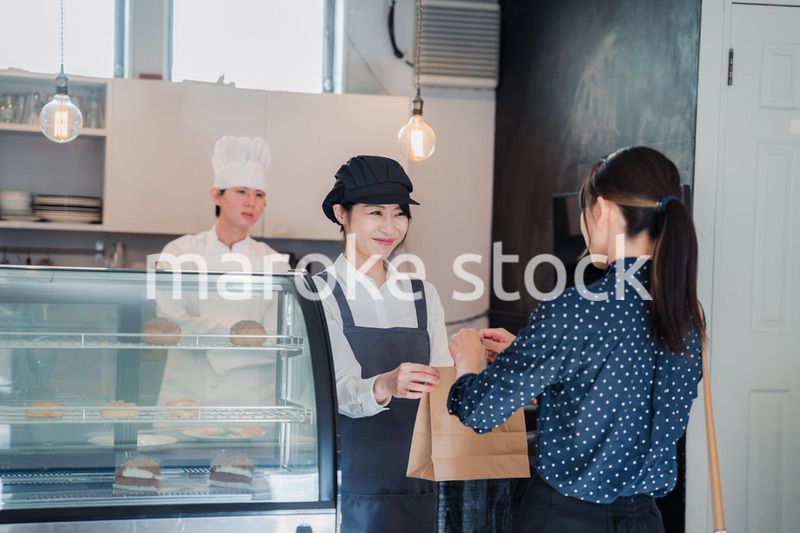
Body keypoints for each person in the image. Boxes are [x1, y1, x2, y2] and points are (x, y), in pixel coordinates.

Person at [447, 146, 704, 533]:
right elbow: (618, 394)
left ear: (602, 210)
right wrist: (532, 357)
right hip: (646, 520)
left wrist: (468, 361)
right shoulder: (686, 313)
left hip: (564, 519)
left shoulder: (576, 310)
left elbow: (479, 411)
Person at [313, 155, 451, 533]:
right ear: (341, 214)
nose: (390, 227)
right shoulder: (319, 293)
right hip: (346, 482)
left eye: (399, 213)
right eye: (375, 212)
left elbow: (442, 387)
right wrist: (385, 384)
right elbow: (335, 392)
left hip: (419, 482)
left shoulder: (424, 295)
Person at [155, 136, 290, 407]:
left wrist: (202, 328)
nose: (251, 202)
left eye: (259, 195)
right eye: (241, 192)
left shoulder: (275, 263)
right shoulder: (180, 252)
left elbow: (278, 338)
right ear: (216, 195)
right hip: (188, 395)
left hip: (251, 401)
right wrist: (242, 337)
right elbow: (172, 322)